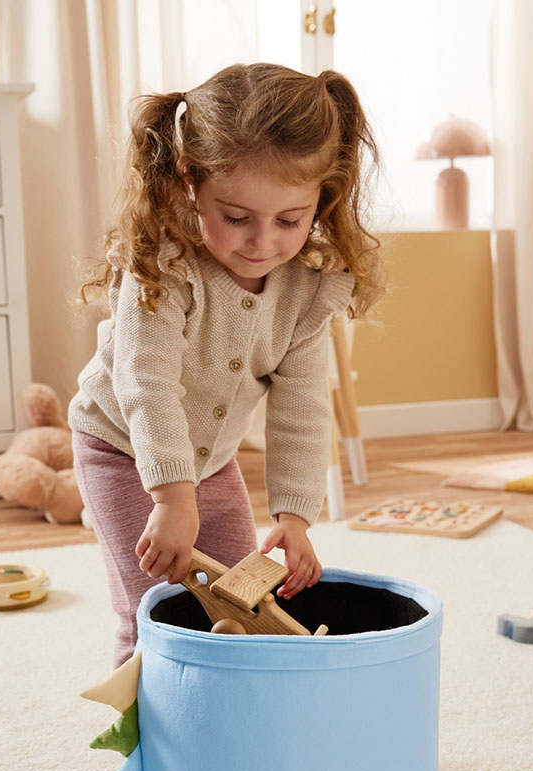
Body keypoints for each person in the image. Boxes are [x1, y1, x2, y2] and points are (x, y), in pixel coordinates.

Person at [69, 62, 383, 667]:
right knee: (158, 612)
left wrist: (295, 517)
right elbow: (146, 382)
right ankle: (147, 750)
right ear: (190, 180)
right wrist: (171, 498)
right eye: (236, 217)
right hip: (125, 452)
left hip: (211, 464)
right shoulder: (161, 266)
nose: (262, 242)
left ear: (324, 196)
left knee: (242, 604)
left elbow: (302, 407)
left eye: (290, 220)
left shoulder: (309, 289)